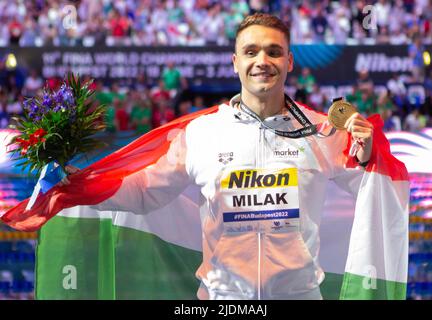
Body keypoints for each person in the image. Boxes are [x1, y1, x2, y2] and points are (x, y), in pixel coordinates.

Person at [2, 14, 408, 301]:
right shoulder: (200, 133)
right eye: (250, 52)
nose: (261, 60)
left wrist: (371, 154)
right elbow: (145, 191)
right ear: (235, 63)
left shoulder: (323, 131)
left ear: (289, 61)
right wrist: (82, 183)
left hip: (299, 295)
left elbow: (372, 187)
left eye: (273, 51)